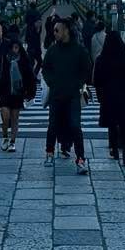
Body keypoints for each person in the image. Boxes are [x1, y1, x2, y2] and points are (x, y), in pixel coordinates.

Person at [41, 18, 92, 174]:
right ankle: (49, 152)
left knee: (75, 126)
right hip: (56, 94)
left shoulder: (79, 50)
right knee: (53, 125)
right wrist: (52, 82)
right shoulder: (52, 50)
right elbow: (45, 69)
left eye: (57, 30)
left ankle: (81, 159)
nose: (54, 33)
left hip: (73, 96)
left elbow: (87, 68)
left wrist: (78, 83)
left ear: (66, 31)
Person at [94, 30, 125, 165]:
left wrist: (100, 95)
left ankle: (113, 149)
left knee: (112, 124)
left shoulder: (101, 59)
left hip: (107, 96)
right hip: (124, 95)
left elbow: (96, 80)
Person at [0, 37, 35, 151]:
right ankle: (5, 137)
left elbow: (30, 77)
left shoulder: (23, 61)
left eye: (17, 48)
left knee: (15, 118)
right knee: (5, 117)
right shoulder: (3, 59)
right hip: (5, 92)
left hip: (17, 93)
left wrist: (30, 93)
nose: (14, 50)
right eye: (13, 47)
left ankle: (12, 141)